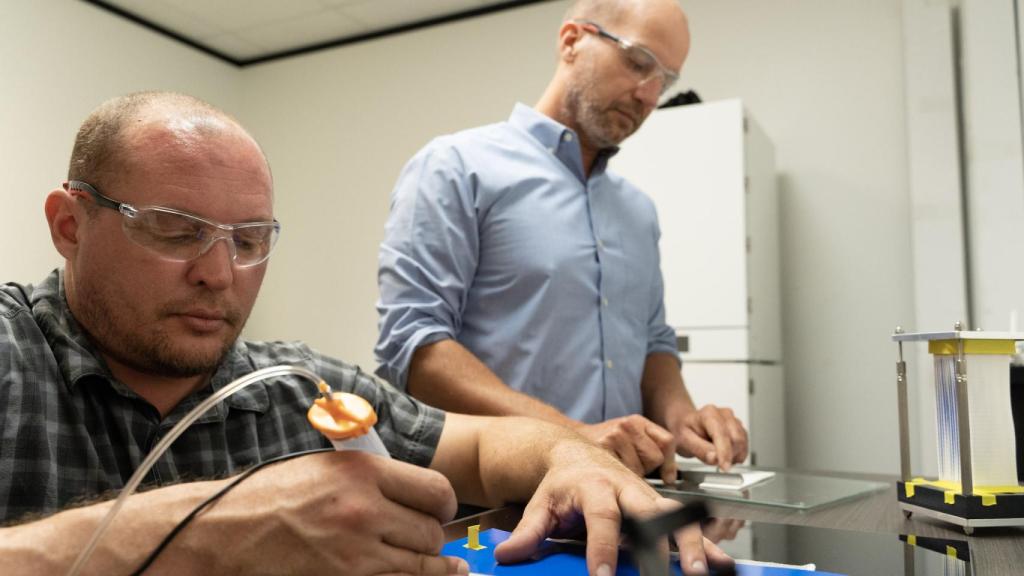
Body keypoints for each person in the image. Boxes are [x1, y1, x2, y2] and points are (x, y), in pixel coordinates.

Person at [0, 92, 732, 576]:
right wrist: (199, 535)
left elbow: (477, 444)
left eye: (250, 239)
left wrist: (569, 455)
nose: (220, 274)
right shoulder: (12, 360)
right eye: (175, 231)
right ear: (70, 226)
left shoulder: (296, 387)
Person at [375, 0, 748, 483]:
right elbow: (414, 348)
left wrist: (681, 416)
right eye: (638, 62)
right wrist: (572, 435)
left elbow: (653, 341)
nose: (649, 95)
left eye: (666, 80)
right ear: (572, 40)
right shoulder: (456, 167)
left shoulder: (638, 211)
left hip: (625, 489)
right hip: (493, 498)